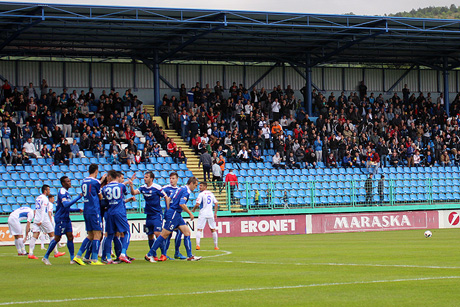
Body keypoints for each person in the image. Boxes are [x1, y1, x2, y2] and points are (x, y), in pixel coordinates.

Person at [145, 177, 201, 262]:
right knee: (164, 235)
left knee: (187, 232)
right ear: (191, 183)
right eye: (195, 185)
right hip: (174, 214)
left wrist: (168, 209)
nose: (195, 188)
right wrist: (190, 213)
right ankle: (150, 254)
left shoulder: (180, 188)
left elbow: (169, 198)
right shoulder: (186, 191)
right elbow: (182, 204)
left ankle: (190, 256)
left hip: (175, 214)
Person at [42, 177, 82, 265]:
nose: (70, 182)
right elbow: (65, 204)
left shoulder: (66, 192)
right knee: (57, 238)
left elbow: (66, 207)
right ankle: (45, 257)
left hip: (66, 218)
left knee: (70, 236)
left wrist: (77, 210)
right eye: (67, 181)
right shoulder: (62, 192)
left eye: (70, 181)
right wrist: (78, 197)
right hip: (60, 218)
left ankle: (72, 258)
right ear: (63, 183)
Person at [128, 171, 170, 253]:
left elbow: (166, 197)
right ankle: (153, 254)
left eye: (146, 177)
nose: (144, 178)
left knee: (157, 233)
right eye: (144, 177)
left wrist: (167, 209)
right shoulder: (143, 187)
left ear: (151, 179)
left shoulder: (156, 187)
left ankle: (163, 253)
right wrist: (131, 186)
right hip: (148, 215)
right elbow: (133, 193)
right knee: (150, 235)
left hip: (157, 214)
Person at [74, 164, 105, 266]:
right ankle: (94, 259)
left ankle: (79, 256)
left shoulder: (83, 181)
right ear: (96, 171)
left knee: (90, 235)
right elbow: (100, 196)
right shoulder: (96, 182)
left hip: (86, 209)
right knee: (97, 234)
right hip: (94, 210)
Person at [102, 170, 132, 264]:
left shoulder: (105, 188)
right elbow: (124, 195)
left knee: (109, 235)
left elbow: (105, 200)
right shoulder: (121, 186)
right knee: (126, 232)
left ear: (110, 177)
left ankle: (108, 257)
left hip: (110, 212)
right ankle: (123, 253)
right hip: (119, 211)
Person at [162, 172, 187, 260]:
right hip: (169, 214)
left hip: (176, 214)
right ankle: (164, 253)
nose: (171, 180)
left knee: (180, 232)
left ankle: (177, 252)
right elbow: (159, 196)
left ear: (177, 179)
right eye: (170, 178)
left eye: (173, 178)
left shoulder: (179, 189)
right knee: (168, 234)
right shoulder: (166, 188)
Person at [28, 185, 54, 260]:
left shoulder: (38, 198)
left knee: (35, 235)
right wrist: (42, 220)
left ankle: (30, 253)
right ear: (45, 191)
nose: (49, 191)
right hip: (43, 219)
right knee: (52, 234)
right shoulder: (45, 199)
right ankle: (55, 252)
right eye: (48, 190)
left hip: (36, 218)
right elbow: (43, 210)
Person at [192, 182, 219, 251]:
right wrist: (215, 213)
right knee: (213, 229)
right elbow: (216, 204)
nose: (199, 187)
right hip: (210, 213)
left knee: (199, 229)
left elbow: (197, 204)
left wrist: (194, 209)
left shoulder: (201, 194)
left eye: (201, 186)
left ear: (205, 187)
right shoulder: (211, 194)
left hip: (203, 213)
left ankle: (198, 245)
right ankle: (216, 246)